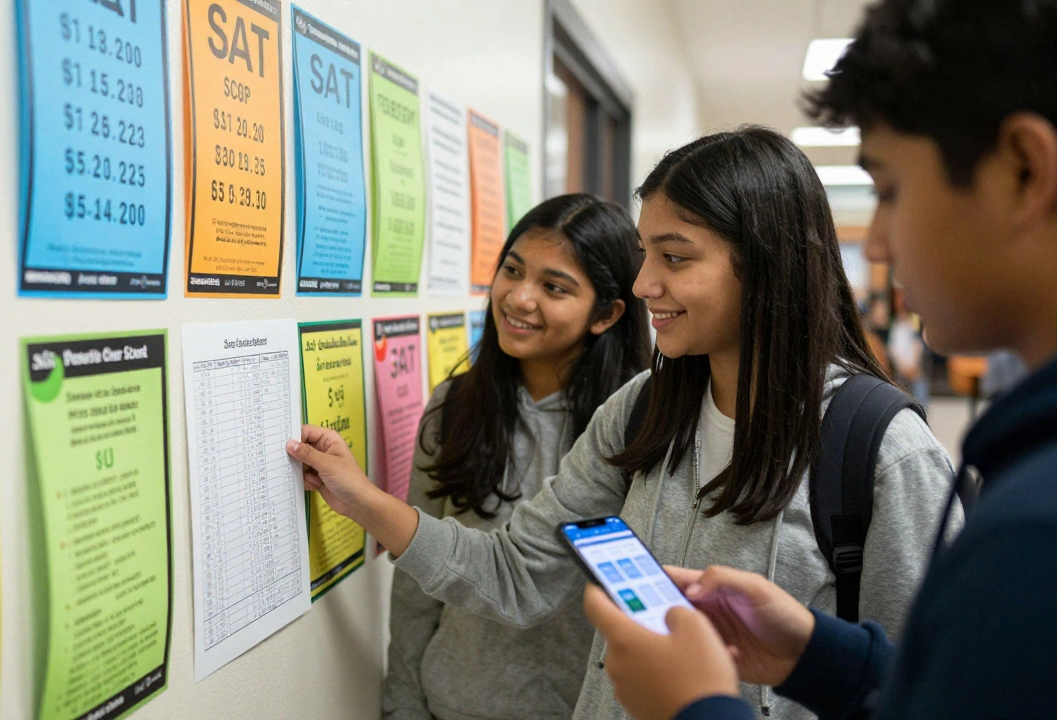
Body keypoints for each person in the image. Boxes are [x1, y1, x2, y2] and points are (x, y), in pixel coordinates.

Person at [288, 126, 958, 720]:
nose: (641, 285)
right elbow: (518, 570)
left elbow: (932, 687)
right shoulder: (643, 411)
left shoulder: (882, 453)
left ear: (764, 266)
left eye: (675, 257)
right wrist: (361, 500)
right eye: (644, 254)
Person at [579, 1, 1057, 718]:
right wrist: (827, 656)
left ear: (1024, 169)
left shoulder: (1022, 528)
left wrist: (697, 707)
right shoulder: (651, 405)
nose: (880, 245)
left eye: (890, 190)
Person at [385, 194, 650, 720]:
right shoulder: (455, 408)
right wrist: (402, 704)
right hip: (453, 705)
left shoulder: (639, 432)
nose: (519, 298)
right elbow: (416, 584)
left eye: (554, 287)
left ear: (606, 314)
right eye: (512, 270)